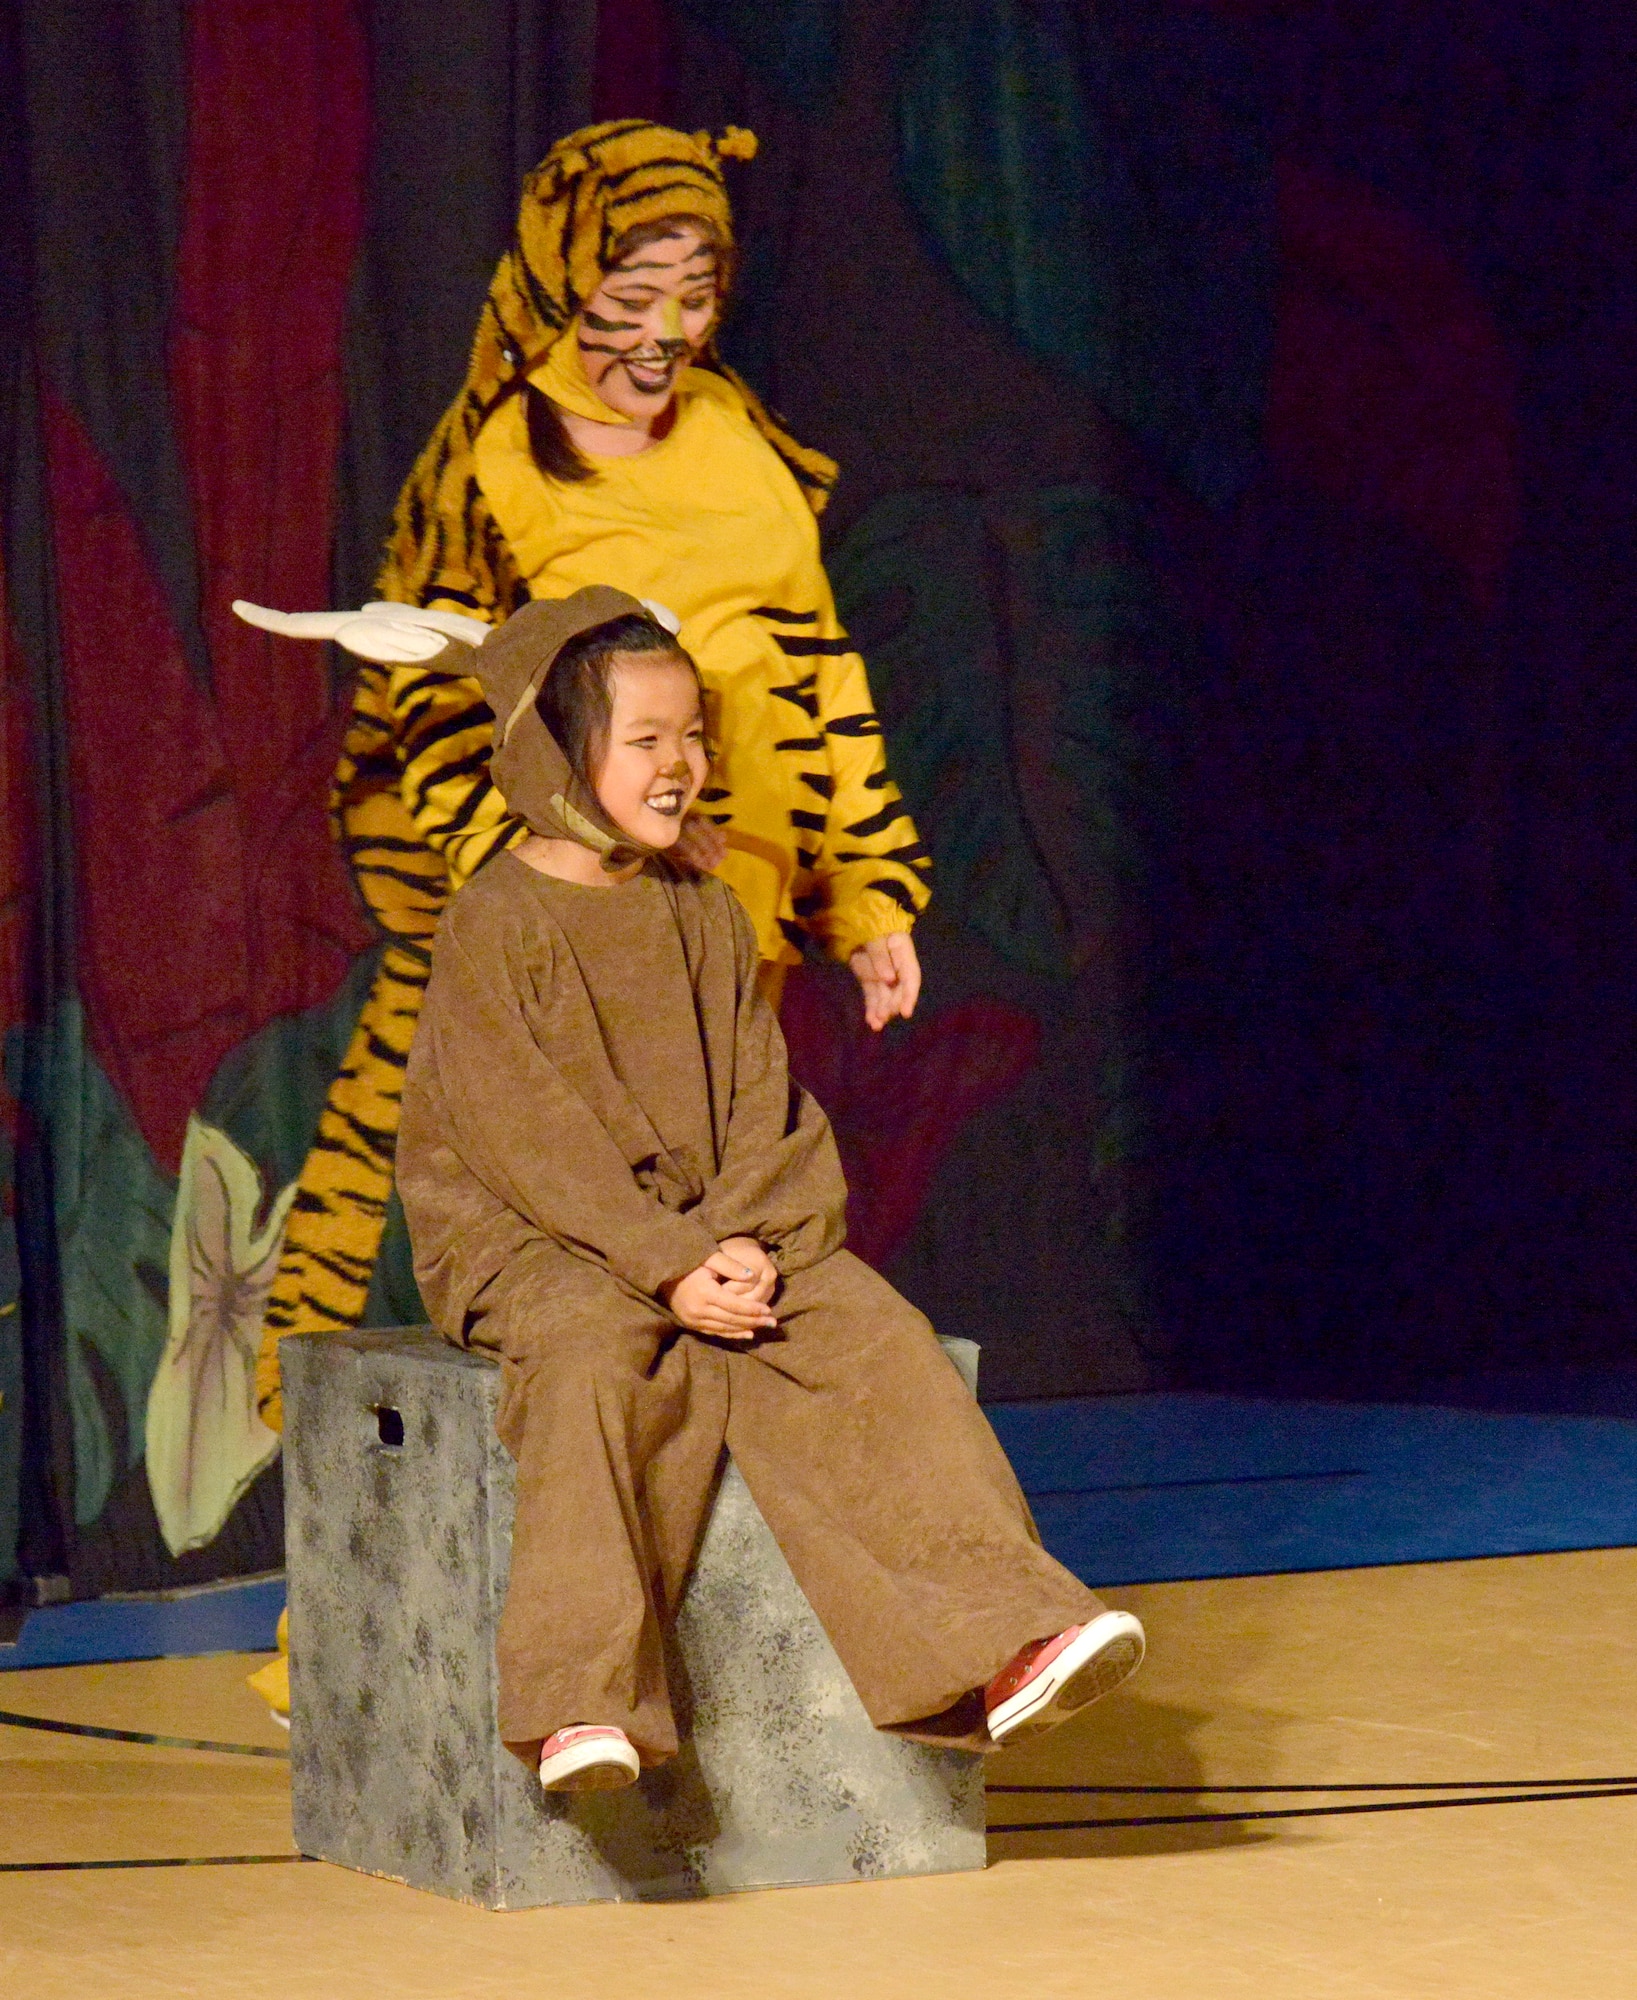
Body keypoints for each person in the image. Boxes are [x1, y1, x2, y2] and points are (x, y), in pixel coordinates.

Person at [392, 587, 1143, 1789]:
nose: (680, 763)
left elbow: (759, 1093)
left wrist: (741, 1239)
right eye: (645, 741)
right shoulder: (498, 921)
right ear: (555, 752)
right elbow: (526, 1139)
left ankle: (1001, 1639)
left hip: (702, 1223)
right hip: (537, 1234)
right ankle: (581, 1705)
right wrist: (663, 1260)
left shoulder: (699, 909)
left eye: (691, 735)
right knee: (591, 1357)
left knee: (869, 1336)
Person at [250, 119, 931, 1414]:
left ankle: (721, 1564)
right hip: (564, 915)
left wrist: (863, 888)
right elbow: (435, 695)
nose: (665, 331)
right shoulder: (500, 458)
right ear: (563, 283)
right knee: (451, 1188)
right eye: (631, 298)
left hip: (726, 910)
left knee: (714, 1226)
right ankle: (351, 1591)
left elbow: (816, 658)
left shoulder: (733, 432)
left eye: (695, 295)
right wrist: (539, 886)